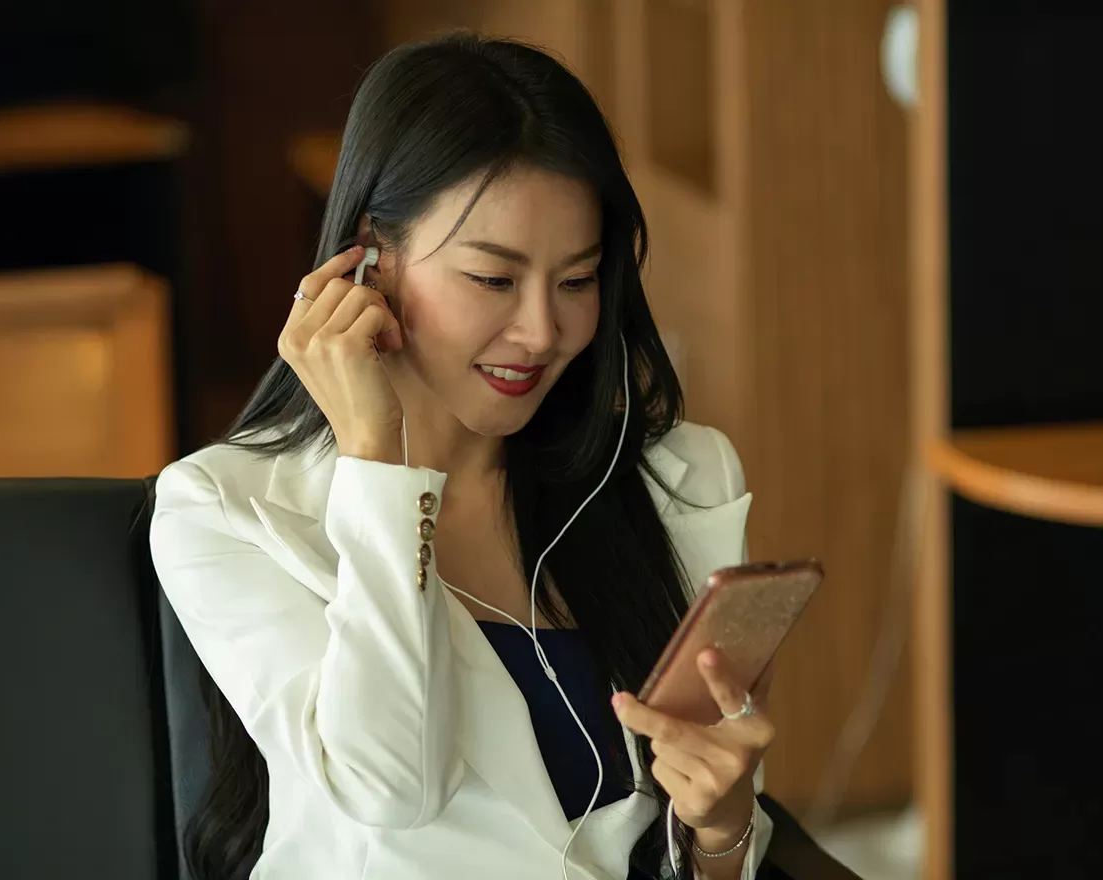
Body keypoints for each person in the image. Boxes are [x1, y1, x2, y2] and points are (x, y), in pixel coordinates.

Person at [150, 32, 776, 880]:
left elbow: (707, 842)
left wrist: (723, 831)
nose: (541, 333)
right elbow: (391, 787)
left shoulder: (679, 482)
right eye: (492, 279)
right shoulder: (223, 511)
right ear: (371, 255)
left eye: (577, 280)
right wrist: (378, 463)